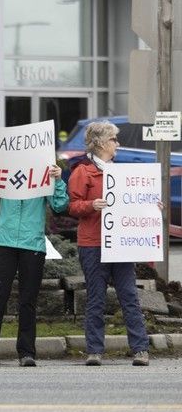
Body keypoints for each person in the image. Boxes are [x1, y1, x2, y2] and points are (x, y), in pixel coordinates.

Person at [68, 120, 153, 367]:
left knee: (129, 296)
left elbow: (135, 203)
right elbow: (71, 206)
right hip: (93, 243)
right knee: (96, 298)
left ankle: (140, 349)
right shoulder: (82, 171)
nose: (118, 144)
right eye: (114, 140)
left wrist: (150, 206)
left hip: (121, 243)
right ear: (103, 143)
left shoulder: (122, 172)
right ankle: (94, 350)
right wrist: (90, 205)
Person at [0, 161, 67, 367]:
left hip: (33, 244)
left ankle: (27, 353)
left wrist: (57, 180)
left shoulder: (43, 173)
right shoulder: (5, 171)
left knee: (28, 301)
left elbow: (60, 205)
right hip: (5, 243)